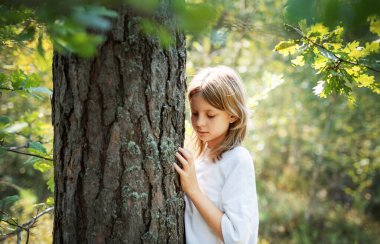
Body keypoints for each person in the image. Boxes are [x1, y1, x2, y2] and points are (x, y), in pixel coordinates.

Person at [173, 66, 259, 244]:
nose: (199, 123)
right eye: (195, 113)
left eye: (210, 115)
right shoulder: (196, 158)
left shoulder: (237, 159)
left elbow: (236, 237)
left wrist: (193, 190)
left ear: (233, 115)